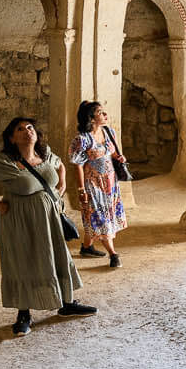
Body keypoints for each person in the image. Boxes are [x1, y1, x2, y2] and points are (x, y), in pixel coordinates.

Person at [0, 117, 97, 336]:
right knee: (23, 261)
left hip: (49, 217)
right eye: (20, 129)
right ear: (12, 138)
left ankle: (66, 303)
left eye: (30, 127)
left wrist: (61, 187)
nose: (27, 131)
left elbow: (60, 165)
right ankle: (23, 314)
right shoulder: (4, 162)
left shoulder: (45, 153)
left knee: (56, 255)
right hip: (20, 220)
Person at [70, 100, 128, 268]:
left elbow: (113, 152)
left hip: (110, 183)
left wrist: (119, 157)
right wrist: (81, 189)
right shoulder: (82, 139)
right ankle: (113, 254)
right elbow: (78, 165)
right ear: (91, 118)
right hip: (93, 184)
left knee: (102, 216)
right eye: (100, 112)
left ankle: (87, 247)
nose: (105, 114)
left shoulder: (109, 132)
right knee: (101, 218)